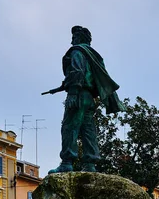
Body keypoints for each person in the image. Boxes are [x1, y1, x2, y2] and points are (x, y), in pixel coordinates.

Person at [48, 26, 125, 173]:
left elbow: (77, 71)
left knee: (69, 126)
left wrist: (73, 91)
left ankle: (67, 162)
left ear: (79, 38)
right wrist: (64, 85)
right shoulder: (93, 56)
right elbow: (89, 76)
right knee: (88, 129)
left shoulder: (77, 51)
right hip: (90, 98)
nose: (72, 40)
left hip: (78, 95)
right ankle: (90, 163)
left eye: (74, 36)